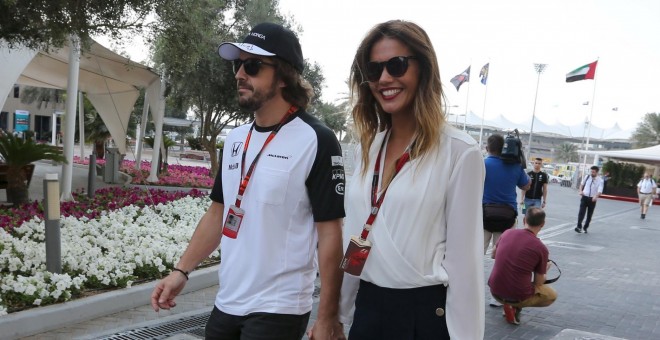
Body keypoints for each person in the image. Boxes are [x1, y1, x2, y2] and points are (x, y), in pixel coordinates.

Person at [150, 23, 346, 340]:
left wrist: (327, 317)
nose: (240, 74)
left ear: (284, 75)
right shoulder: (235, 139)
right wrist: (181, 271)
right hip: (227, 301)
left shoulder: (317, 140)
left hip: (279, 308)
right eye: (237, 64)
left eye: (252, 66)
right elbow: (218, 213)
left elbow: (330, 233)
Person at [338, 20, 485, 340]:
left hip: (423, 318)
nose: (384, 78)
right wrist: (338, 314)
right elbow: (355, 236)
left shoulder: (459, 152)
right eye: (374, 70)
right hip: (367, 312)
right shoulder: (369, 148)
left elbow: (465, 264)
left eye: (397, 65)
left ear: (424, 69)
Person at [488, 207, 557, 325]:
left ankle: (510, 305)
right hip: (517, 294)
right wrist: (546, 268)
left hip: (495, 291)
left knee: (518, 279)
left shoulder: (507, 232)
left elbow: (493, 255)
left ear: (524, 220)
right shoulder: (540, 248)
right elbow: (539, 282)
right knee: (551, 295)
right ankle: (515, 305)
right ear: (543, 224)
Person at [575, 165, 604, 233]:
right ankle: (579, 227)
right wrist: (580, 191)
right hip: (584, 197)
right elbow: (581, 184)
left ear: (597, 173)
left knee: (589, 215)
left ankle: (585, 227)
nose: (592, 173)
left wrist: (596, 196)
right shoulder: (587, 177)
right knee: (581, 213)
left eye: (593, 172)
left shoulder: (600, 180)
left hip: (592, 199)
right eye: (591, 172)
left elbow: (600, 190)